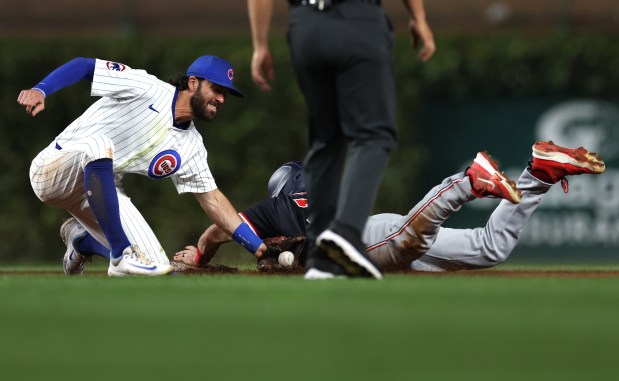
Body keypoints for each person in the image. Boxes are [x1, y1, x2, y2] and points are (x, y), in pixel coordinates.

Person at [173, 141, 605, 274]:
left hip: (362, 243)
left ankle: (467, 182)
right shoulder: (324, 194)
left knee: (408, 238)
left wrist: (200, 255)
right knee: (490, 248)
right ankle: (541, 173)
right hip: (370, 230)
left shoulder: (271, 206)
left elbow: (217, 230)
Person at [18, 56, 266, 276]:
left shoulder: (192, 146)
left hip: (98, 191)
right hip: (54, 169)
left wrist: (259, 249)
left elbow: (213, 200)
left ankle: (81, 242)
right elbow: (84, 66)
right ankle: (119, 255)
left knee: (156, 266)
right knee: (101, 144)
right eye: (216, 89)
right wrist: (42, 90)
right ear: (192, 83)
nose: (222, 98)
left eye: (226, 93)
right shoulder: (146, 87)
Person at [248, 0, 436, 279]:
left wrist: (260, 44)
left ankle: (321, 260)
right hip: (359, 18)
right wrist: (418, 16)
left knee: (326, 140)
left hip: (305, 26)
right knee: (374, 135)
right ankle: (345, 232)